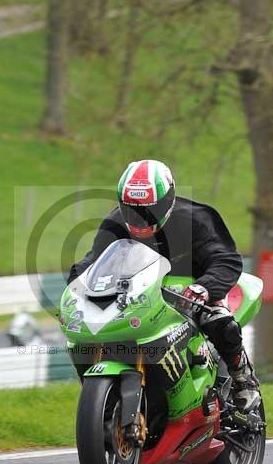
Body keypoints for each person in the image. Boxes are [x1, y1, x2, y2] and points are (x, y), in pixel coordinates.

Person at [68, 159, 259, 411]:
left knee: (218, 320)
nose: (140, 218)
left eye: (149, 210)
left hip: (194, 292)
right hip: (140, 295)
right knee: (90, 334)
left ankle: (242, 378)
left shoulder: (196, 219)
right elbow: (94, 261)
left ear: (167, 200)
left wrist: (205, 287)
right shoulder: (114, 223)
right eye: (132, 209)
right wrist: (76, 284)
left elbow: (226, 258)